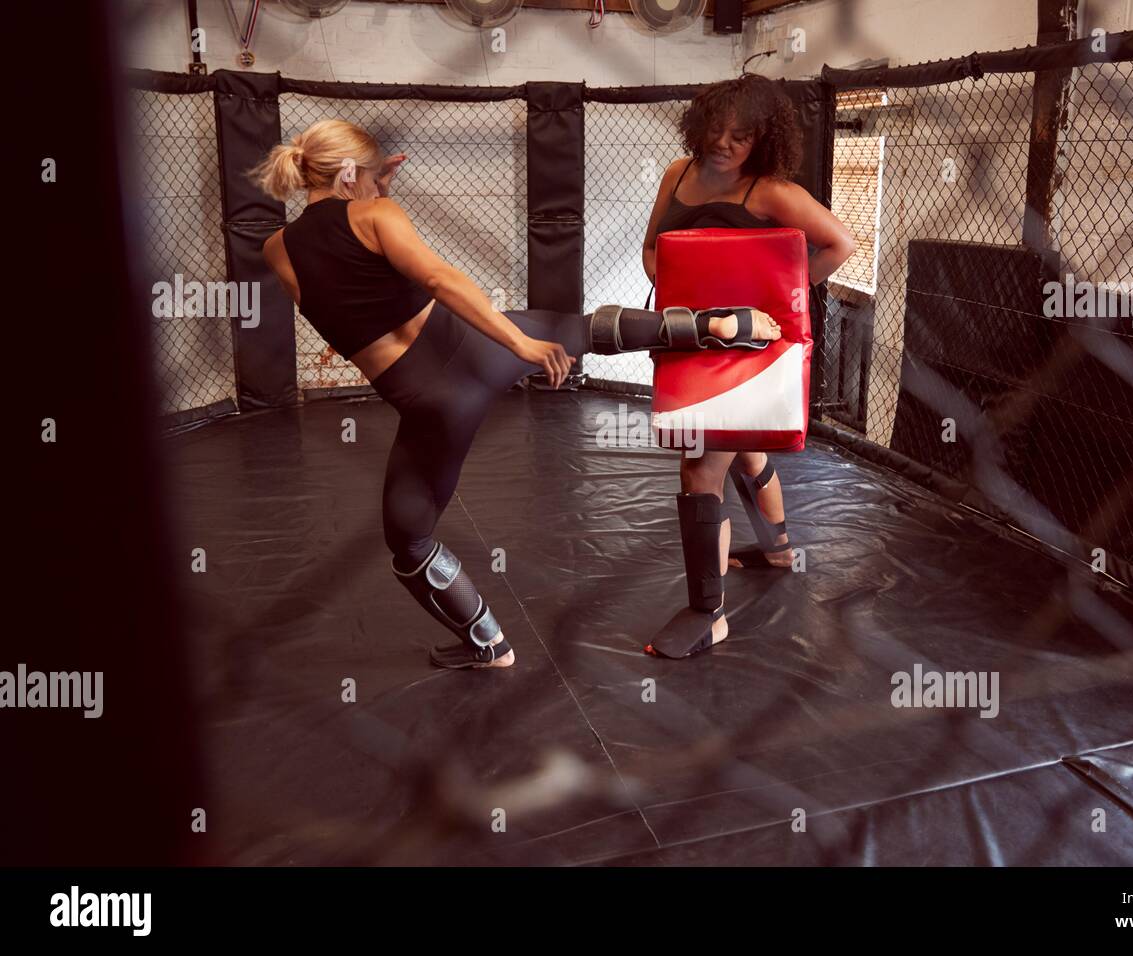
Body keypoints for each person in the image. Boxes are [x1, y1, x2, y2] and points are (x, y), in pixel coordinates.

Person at [254, 119, 782, 669]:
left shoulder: (277, 251)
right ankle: (720, 326)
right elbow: (439, 279)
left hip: (429, 404)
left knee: (408, 540)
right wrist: (521, 344)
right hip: (478, 350)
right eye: (368, 176)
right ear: (347, 173)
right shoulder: (376, 214)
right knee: (581, 328)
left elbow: (342, 304)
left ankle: (488, 644)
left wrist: (368, 192)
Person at [642, 75, 858, 658]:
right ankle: (779, 550)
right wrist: (678, 299)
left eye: (741, 136)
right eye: (716, 129)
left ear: (761, 140)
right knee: (744, 447)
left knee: (699, 467)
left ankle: (707, 614)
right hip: (690, 338)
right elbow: (652, 250)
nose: (724, 144)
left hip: (744, 347)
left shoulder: (770, 192)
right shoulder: (676, 175)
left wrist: (782, 301)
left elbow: (840, 243)